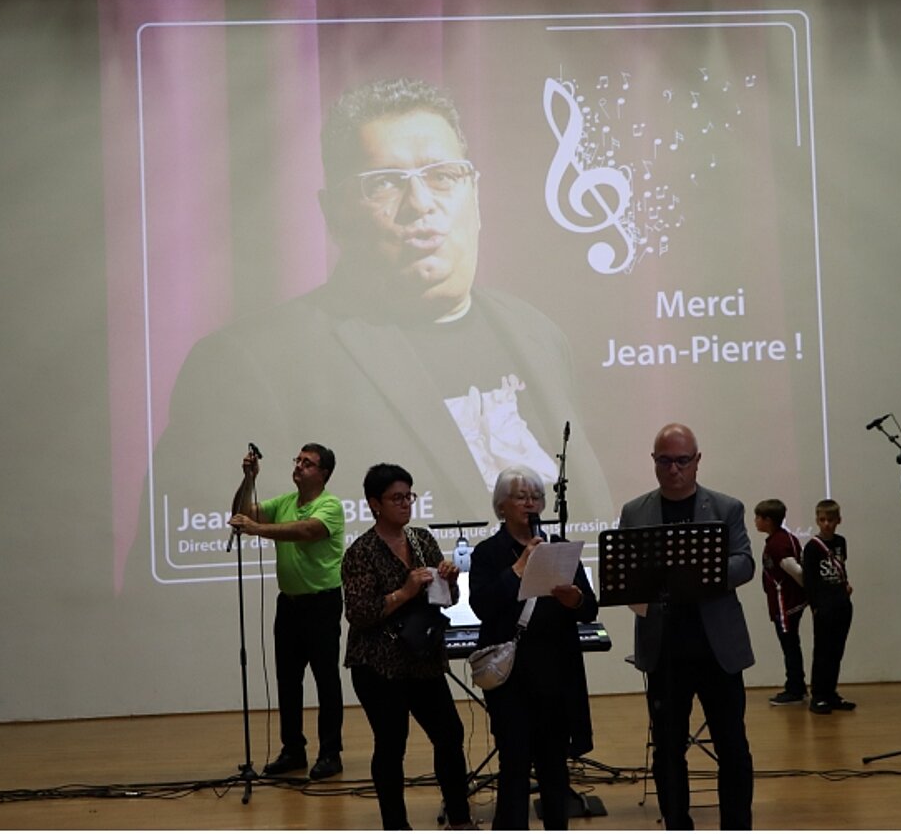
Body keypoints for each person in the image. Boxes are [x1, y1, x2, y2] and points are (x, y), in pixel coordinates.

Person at [140, 77, 611, 586]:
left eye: (444, 176)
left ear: (474, 194)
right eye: (385, 182)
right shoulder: (246, 365)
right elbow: (196, 586)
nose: (421, 204)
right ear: (334, 214)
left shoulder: (537, 335)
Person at [619, 423, 754, 831]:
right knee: (668, 750)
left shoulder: (726, 507)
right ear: (654, 462)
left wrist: (696, 572)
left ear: (697, 461)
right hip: (665, 651)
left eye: (682, 460)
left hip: (718, 651)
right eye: (665, 460)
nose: (673, 469)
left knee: (732, 747)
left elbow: (745, 562)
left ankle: (736, 825)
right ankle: (678, 824)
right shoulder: (635, 511)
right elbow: (624, 572)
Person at [340, 463, 476, 830]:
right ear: (375, 504)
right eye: (396, 498)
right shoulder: (361, 552)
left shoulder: (422, 539)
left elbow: (444, 601)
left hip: (423, 658)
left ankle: (460, 819)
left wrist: (450, 580)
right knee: (391, 744)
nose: (405, 504)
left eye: (409, 496)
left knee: (449, 734)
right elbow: (361, 613)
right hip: (378, 665)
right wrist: (405, 591)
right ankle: (396, 826)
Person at [468, 465, 598, 830]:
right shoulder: (487, 553)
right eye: (521, 497)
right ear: (501, 506)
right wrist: (519, 567)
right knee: (514, 764)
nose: (530, 504)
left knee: (555, 766)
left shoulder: (558, 547)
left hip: (556, 673)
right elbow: (483, 606)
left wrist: (574, 599)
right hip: (512, 678)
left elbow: (589, 608)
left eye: (536, 497)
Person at [228, 443, 345, 779]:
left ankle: (330, 753)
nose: (299, 466)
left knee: (326, 680)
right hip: (290, 605)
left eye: (307, 463)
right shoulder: (285, 502)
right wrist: (248, 479)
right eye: (298, 460)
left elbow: (306, 532)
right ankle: (293, 749)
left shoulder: (330, 505)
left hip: (321, 604)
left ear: (323, 474)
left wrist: (258, 530)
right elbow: (241, 512)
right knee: (288, 681)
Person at [803, 498, 855, 715]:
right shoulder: (812, 547)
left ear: (838, 520)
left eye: (831, 520)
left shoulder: (841, 542)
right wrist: (815, 606)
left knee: (837, 650)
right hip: (824, 606)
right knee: (823, 651)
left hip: (842, 603)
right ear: (817, 520)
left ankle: (831, 692)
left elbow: (841, 566)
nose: (826, 524)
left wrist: (845, 587)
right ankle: (818, 696)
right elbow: (809, 579)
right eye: (822, 520)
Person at [755, 498, 808, 707]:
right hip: (788, 602)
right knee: (791, 644)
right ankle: (797, 685)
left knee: (790, 645)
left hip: (786, 604)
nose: (755, 521)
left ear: (768, 520)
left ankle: (794, 689)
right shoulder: (786, 538)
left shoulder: (778, 544)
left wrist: (807, 589)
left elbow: (795, 570)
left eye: (758, 517)